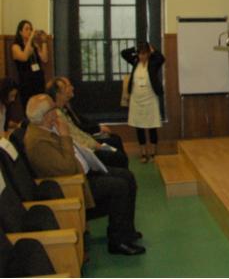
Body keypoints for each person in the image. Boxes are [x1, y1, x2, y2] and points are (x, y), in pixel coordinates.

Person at [24, 94, 144, 256]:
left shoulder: (48, 127)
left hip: (84, 172)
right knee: (119, 186)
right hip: (75, 184)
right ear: (46, 115)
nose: (57, 111)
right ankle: (118, 241)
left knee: (127, 176)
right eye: (53, 108)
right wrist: (65, 136)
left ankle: (126, 231)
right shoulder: (38, 141)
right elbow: (65, 168)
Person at [46, 77, 129, 169]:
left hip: (89, 142)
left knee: (116, 146)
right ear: (58, 94)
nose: (72, 88)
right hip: (86, 150)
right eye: (67, 87)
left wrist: (97, 130)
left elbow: (81, 126)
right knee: (118, 155)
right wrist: (97, 144)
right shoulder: (58, 116)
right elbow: (76, 135)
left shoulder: (65, 108)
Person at [121, 42, 164, 163]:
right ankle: (143, 153)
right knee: (139, 126)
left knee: (152, 125)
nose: (141, 56)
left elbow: (161, 58)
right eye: (139, 54)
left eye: (144, 54)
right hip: (136, 99)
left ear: (148, 54)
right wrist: (135, 48)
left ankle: (153, 152)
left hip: (150, 98)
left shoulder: (153, 63)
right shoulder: (135, 61)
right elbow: (123, 53)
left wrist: (152, 49)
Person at [11, 20, 49, 109]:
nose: (29, 31)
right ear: (20, 32)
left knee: (41, 107)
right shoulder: (16, 46)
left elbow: (45, 59)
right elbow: (24, 57)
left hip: (38, 79)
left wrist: (44, 42)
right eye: (27, 29)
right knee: (29, 107)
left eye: (31, 29)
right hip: (26, 82)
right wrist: (31, 38)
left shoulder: (34, 45)